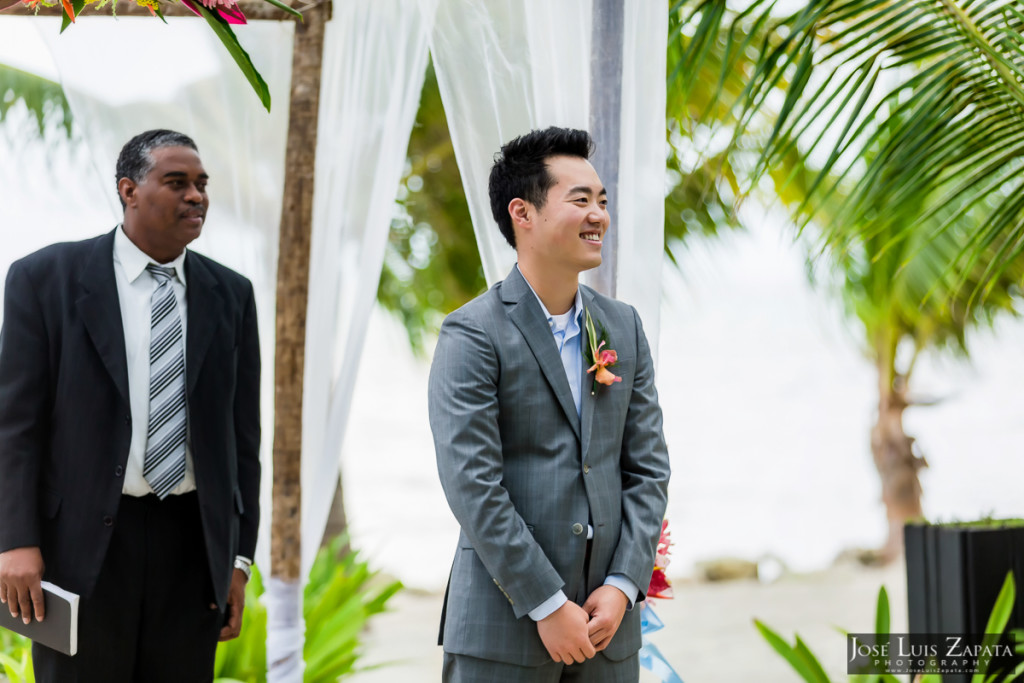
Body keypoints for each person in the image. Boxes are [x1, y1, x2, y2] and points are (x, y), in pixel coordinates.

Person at [0, 129, 261, 682]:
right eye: (177, 182)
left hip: (192, 552)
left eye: (202, 184)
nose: (197, 196)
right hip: (79, 551)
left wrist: (237, 560)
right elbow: (15, 428)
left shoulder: (231, 294)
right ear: (129, 190)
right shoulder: (43, 280)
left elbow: (243, 441)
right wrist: (15, 541)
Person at [428, 126, 671, 682]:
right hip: (502, 632)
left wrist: (624, 585)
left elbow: (648, 467)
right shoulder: (472, 333)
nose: (598, 216)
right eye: (580, 199)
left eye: (602, 201)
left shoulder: (623, 327)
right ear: (523, 213)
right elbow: (472, 483)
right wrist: (545, 602)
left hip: (608, 632)